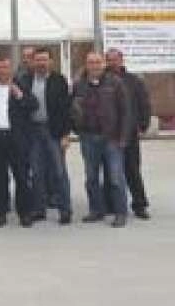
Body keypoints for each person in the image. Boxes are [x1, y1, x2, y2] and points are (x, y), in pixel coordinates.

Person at [71, 52, 133, 228]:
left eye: (98, 62)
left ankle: (120, 212)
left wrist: (123, 137)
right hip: (88, 138)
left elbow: (125, 111)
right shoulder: (79, 84)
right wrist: (77, 129)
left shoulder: (115, 83)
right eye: (91, 62)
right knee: (91, 178)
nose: (94, 66)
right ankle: (96, 210)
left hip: (112, 138)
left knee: (115, 178)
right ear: (86, 64)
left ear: (104, 64)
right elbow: (72, 108)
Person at [0, 56, 37, 228]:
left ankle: (25, 213)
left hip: (16, 138)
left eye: (5, 67)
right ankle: (0, 213)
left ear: (11, 69)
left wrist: (20, 96)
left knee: (21, 176)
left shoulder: (21, 85)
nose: (2, 71)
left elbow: (33, 104)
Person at [20, 47, 73, 225]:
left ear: (51, 61)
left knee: (59, 172)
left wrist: (66, 135)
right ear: (33, 62)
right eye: (38, 60)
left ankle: (65, 210)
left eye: (44, 60)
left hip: (53, 131)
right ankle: (39, 209)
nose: (41, 63)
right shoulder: (25, 80)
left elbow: (66, 109)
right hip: (34, 132)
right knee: (37, 172)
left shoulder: (59, 80)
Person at [105, 48, 152, 220]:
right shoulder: (103, 80)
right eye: (109, 60)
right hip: (109, 133)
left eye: (115, 59)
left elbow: (144, 103)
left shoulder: (134, 81)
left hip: (130, 132)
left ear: (121, 60)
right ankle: (111, 204)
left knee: (132, 169)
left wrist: (143, 124)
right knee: (110, 171)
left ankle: (139, 205)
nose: (112, 63)